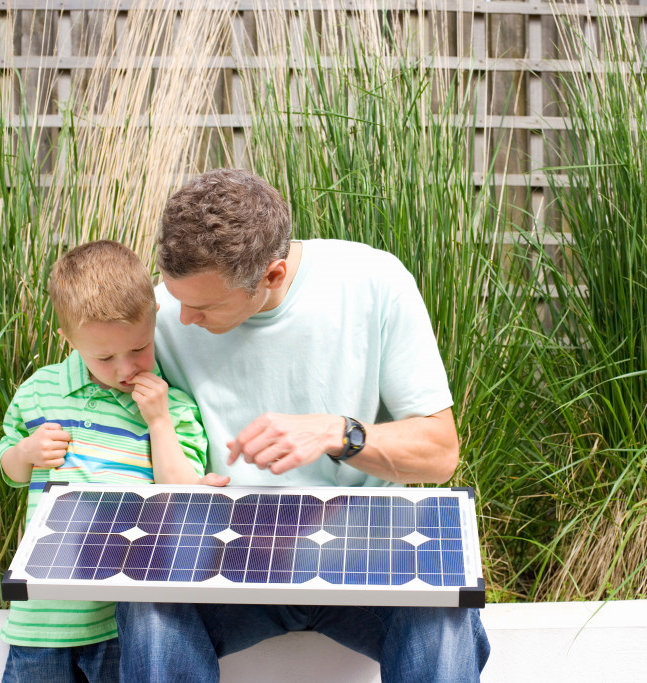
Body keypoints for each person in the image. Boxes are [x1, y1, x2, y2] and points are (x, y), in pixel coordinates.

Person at [115, 168, 490, 681]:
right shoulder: (157, 315)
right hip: (221, 561)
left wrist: (339, 433)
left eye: (202, 307)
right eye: (178, 300)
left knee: (444, 617)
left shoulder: (375, 282)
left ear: (271, 275)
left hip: (366, 558)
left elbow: (441, 452)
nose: (181, 321)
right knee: (146, 609)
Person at [0, 240, 209, 683]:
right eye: (104, 357)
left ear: (154, 320)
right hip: (40, 620)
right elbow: (11, 469)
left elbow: (183, 492)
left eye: (139, 348)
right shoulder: (39, 391)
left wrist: (158, 420)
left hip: (121, 618)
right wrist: (25, 453)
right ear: (68, 341)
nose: (125, 368)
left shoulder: (175, 407)